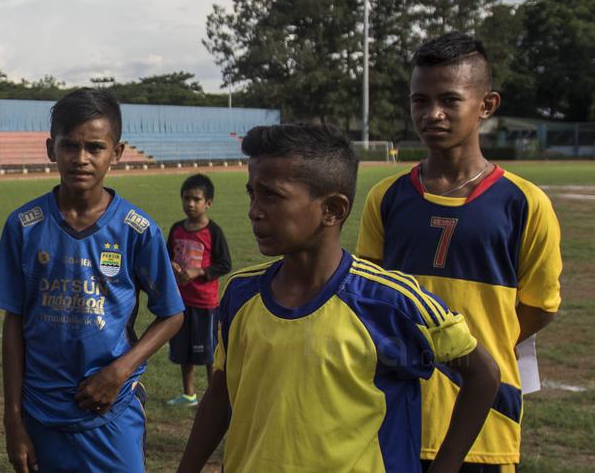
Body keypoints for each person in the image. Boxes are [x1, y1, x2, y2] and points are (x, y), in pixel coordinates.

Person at [177, 123, 501, 473]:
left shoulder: (391, 303)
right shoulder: (240, 293)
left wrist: (445, 467)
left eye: (271, 196)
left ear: (332, 209)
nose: (254, 210)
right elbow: (221, 394)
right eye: (252, 193)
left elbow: (483, 375)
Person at [357, 33, 563, 471]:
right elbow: (369, 297)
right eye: (420, 100)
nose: (432, 114)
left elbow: (541, 307)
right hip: (395, 409)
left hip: (486, 418)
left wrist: (475, 349)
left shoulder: (524, 203)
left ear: (486, 105)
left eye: (450, 100)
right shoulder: (386, 196)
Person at [0, 89, 184, 473]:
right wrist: (13, 419)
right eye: (69, 145)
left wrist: (119, 371)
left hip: (112, 407)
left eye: (94, 147)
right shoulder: (24, 226)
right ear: (50, 148)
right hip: (41, 411)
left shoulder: (136, 230)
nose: (81, 158)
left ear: (117, 152)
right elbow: (14, 322)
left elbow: (172, 314)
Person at [164, 173, 230, 406]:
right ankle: (189, 394)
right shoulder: (176, 229)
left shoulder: (214, 232)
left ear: (208, 203)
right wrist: (171, 265)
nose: (190, 204)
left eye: (196, 199)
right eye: (186, 198)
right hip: (181, 303)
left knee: (209, 354)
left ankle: (214, 397)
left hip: (205, 303)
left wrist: (197, 272)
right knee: (185, 352)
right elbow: (166, 256)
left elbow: (224, 264)